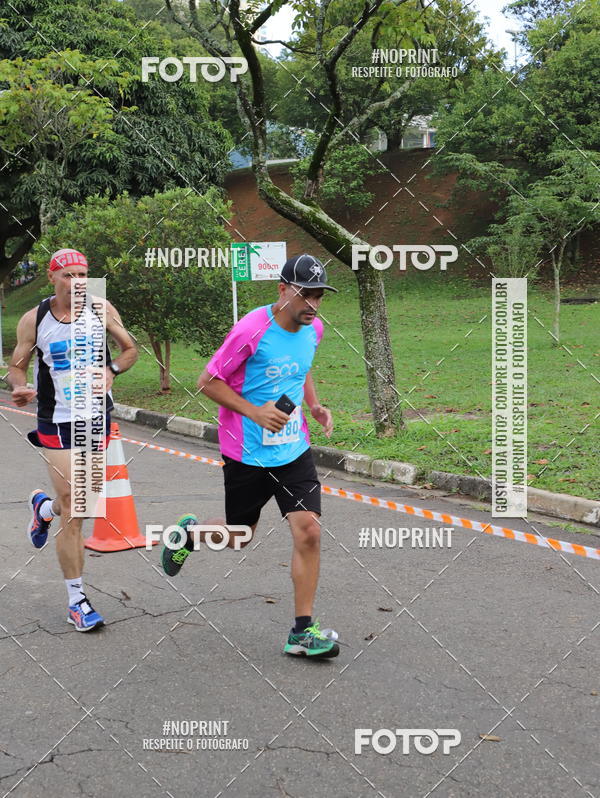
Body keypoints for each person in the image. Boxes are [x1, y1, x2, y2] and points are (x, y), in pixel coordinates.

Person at [162, 253, 340, 658]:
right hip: (247, 452)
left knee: (309, 531)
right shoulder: (251, 330)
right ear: (283, 290)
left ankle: (302, 632)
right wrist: (255, 412)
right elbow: (208, 380)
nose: (313, 304)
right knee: (239, 537)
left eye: (319, 296)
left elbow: (301, 368)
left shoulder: (313, 329)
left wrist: (314, 405)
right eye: (305, 295)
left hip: (293, 449)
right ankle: (188, 534)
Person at [8, 248, 138, 631]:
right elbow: (17, 366)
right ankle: (77, 601)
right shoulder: (35, 320)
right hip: (56, 420)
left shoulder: (101, 309)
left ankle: (43, 510)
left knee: (79, 505)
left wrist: (111, 370)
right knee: (76, 505)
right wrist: (18, 387)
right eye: (68, 275)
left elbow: (130, 349)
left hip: (95, 419)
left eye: (82, 275)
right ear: (52, 278)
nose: (77, 282)